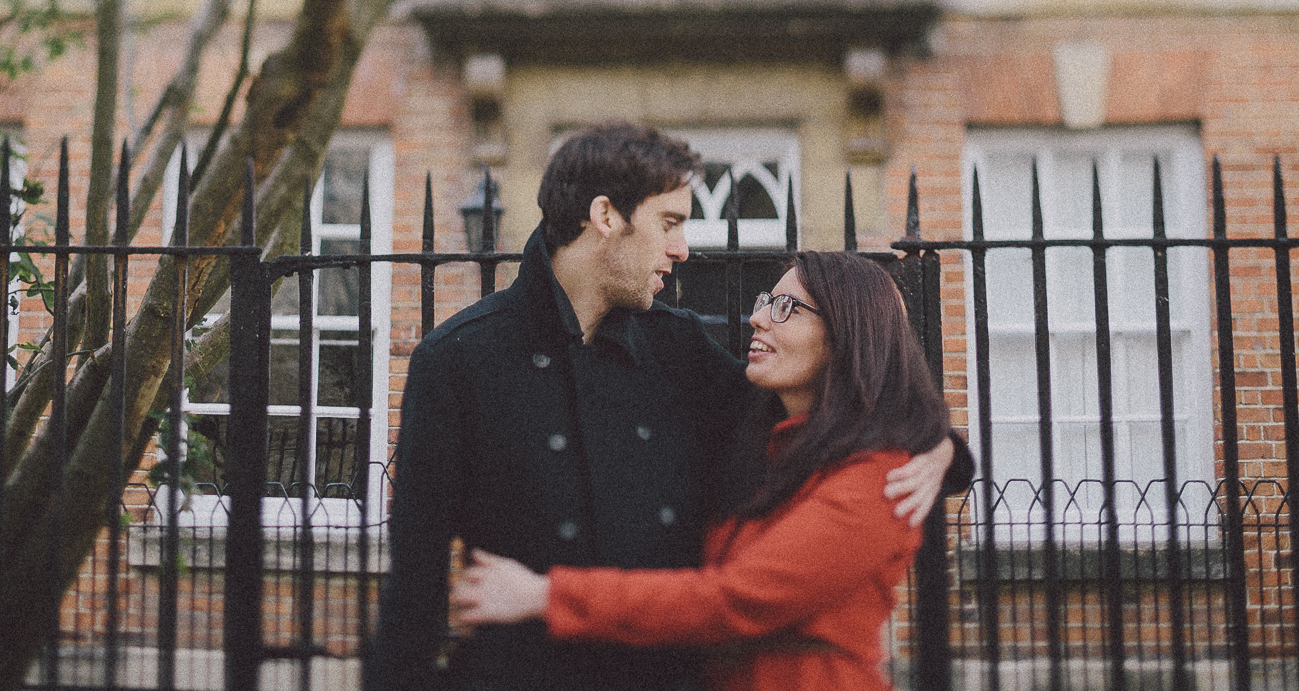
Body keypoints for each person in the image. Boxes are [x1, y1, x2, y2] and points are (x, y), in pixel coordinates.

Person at [369, 123, 965, 691]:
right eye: (670, 223)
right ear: (606, 216)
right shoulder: (457, 359)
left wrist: (941, 448)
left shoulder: (679, 349)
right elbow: (415, 587)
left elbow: (828, 411)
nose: (682, 250)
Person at [450, 251, 951, 691]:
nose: (758, 318)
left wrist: (545, 594)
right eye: (765, 301)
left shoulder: (879, 477)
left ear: (849, 335)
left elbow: (735, 601)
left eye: (787, 308)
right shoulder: (762, 448)